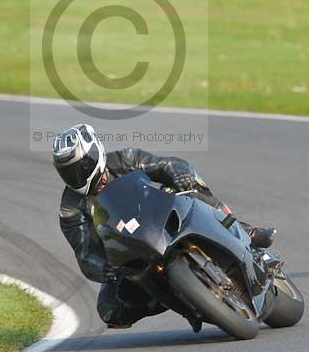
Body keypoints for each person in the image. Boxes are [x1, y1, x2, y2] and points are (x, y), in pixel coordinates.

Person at [54, 123, 275, 331]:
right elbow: (85, 255)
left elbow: (165, 165)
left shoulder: (124, 159)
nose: (77, 175)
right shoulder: (70, 210)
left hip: (164, 218)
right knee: (109, 310)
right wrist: (105, 268)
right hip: (128, 255)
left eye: (82, 166)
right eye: (69, 171)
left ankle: (245, 231)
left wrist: (179, 174)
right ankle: (184, 299)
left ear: (95, 153)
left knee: (192, 185)